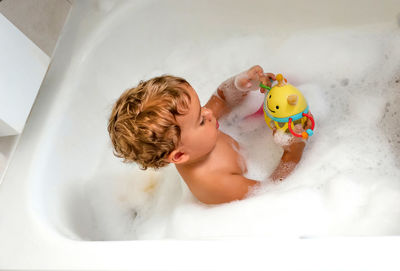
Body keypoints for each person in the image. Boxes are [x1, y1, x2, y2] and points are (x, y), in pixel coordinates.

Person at [108, 65, 310, 204]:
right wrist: (293, 151)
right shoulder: (213, 183)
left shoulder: (189, 135)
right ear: (179, 155)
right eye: (201, 119)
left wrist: (240, 84)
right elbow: (269, 191)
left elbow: (221, 98)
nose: (208, 111)